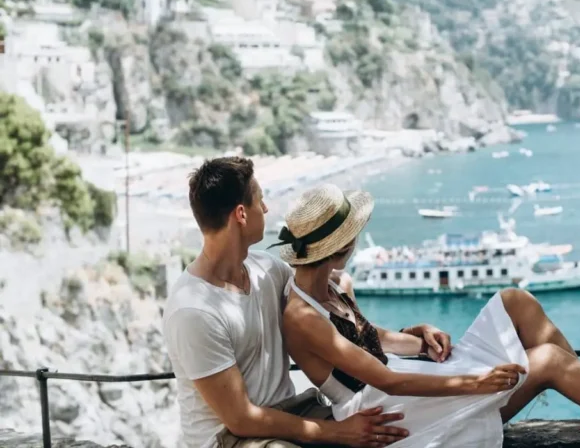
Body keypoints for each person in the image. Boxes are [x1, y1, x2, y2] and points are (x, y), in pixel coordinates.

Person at [275, 183, 580, 448]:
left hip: (407, 380)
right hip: (387, 415)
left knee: (515, 299)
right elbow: (385, 379)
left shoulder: (339, 284)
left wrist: (418, 335)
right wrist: (476, 383)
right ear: (339, 246)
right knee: (548, 362)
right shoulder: (300, 316)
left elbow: (373, 339)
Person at [163, 157, 437, 448]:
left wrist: (412, 337)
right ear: (241, 214)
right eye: (261, 200)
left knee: (402, 424)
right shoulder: (194, 311)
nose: (266, 209)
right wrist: (340, 432)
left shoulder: (269, 270)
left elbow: (337, 325)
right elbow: (241, 418)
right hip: (230, 438)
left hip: (290, 411)